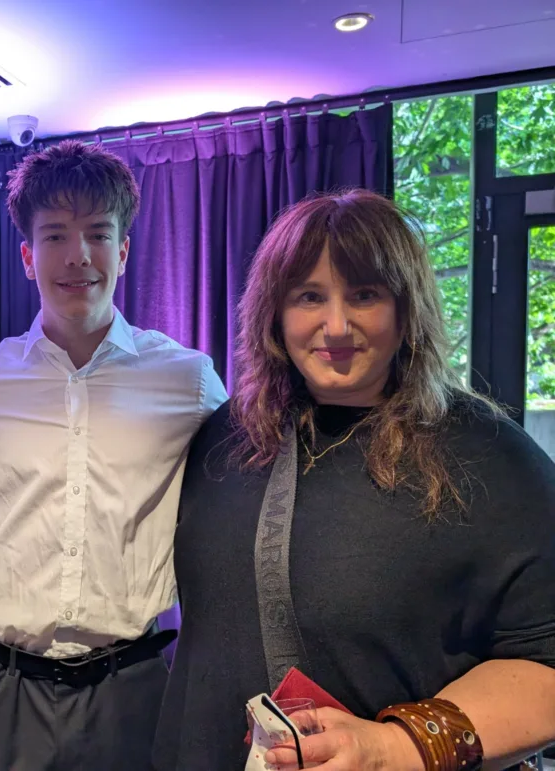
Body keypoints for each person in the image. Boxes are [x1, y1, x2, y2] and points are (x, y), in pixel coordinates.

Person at [154, 189, 555, 771]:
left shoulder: (488, 454)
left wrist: (394, 746)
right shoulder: (227, 436)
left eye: (365, 295)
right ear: (274, 312)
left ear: (405, 308)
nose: (336, 326)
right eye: (309, 296)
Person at [0, 139, 228, 771]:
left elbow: (237, 507)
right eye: (54, 236)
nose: (78, 256)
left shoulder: (187, 381)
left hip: (134, 690)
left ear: (122, 251)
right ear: (27, 256)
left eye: (98, 234)